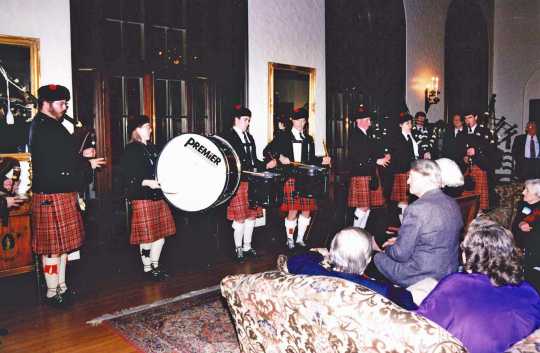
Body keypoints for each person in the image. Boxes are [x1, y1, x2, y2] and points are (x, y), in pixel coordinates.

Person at [29, 84, 106, 306]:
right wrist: (86, 163)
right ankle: (52, 292)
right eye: (61, 103)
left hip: (59, 193)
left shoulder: (52, 126)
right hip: (50, 195)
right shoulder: (44, 128)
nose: (65, 107)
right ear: (46, 104)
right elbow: (57, 166)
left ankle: (61, 286)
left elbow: (63, 158)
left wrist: (82, 157)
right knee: (51, 250)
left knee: (61, 248)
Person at [417, 219, 540, 353]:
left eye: (463, 247)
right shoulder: (530, 292)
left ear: (469, 255)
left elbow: (418, 329)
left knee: (417, 289)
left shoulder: (455, 285)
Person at [373, 159, 463, 287]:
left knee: (377, 257)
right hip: (448, 271)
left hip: (421, 275)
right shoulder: (452, 202)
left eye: (410, 177)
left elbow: (400, 255)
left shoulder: (417, 208)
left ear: (424, 178)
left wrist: (384, 247)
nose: (408, 181)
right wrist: (398, 242)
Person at [287, 227, 417, 309]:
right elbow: (408, 302)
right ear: (368, 260)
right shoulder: (380, 289)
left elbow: (293, 261)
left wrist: (319, 254)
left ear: (332, 253)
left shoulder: (310, 270)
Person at [120, 115, 176, 280]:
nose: (150, 129)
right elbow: (128, 177)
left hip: (158, 196)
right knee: (146, 237)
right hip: (142, 197)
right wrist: (146, 182)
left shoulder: (152, 148)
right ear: (137, 130)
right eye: (147, 127)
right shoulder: (131, 150)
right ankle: (147, 269)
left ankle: (155, 265)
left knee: (160, 235)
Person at [268, 107, 331, 249]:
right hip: (291, 177)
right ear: (292, 121)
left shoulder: (309, 139)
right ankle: (289, 238)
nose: (301, 124)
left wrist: (322, 160)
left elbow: (311, 160)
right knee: (293, 210)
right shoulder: (283, 136)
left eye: (303, 121)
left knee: (307, 210)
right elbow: (268, 150)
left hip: (307, 179)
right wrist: (280, 157)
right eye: (298, 121)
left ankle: (300, 239)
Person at [222, 105, 277, 261]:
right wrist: (264, 166)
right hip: (239, 182)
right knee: (239, 217)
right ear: (236, 120)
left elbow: (254, 160)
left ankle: (247, 246)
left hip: (254, 182)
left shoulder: (249, 137)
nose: (247, 123)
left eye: (249, 120)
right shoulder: (228, 137)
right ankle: (238, 248)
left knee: (252, 216)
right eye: (245, 120)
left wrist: (266, 163)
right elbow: (234, 163)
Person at [348, 105, 389, 229]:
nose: (370, 122)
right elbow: (358, 157)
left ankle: (362, 232)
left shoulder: (367, 134)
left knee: (367, 207)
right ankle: (355, 233)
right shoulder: (355, 136)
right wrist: (377, 161)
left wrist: (385, 155)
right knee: (363, 206)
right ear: (359, 121)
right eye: (368, 120)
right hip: (361, 174)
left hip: (370, 173)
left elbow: (373, 151)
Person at [460, 111, 497, 210]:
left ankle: (480, 213)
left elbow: (491, 148)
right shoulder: (463, 132)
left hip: (480, 165)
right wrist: (464, 156)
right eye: (465, 118)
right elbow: (460, 148)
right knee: (467, 195)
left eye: (470, 117)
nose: (467, 120)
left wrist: (476, 151)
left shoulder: (485, 131)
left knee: (480, 196)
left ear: (475, 117)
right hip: (468, 167)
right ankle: (468, 213)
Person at [511, 179, 540, 290]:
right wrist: (521, 223)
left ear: (537, 195)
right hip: (520, 243)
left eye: (527, 190)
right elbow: (517, 221)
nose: (523, 192)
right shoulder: (522, 204)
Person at [389, 112, 417, 222]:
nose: (410, 126)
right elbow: (397, 157)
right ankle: (403, 224)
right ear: (400, 125)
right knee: (402, 200)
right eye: (407, 123)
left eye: (410, 123)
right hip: (400, 172)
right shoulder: (396, 138)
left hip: (408, 171)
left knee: (406, 200)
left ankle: (404, 224)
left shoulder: (409, 138)